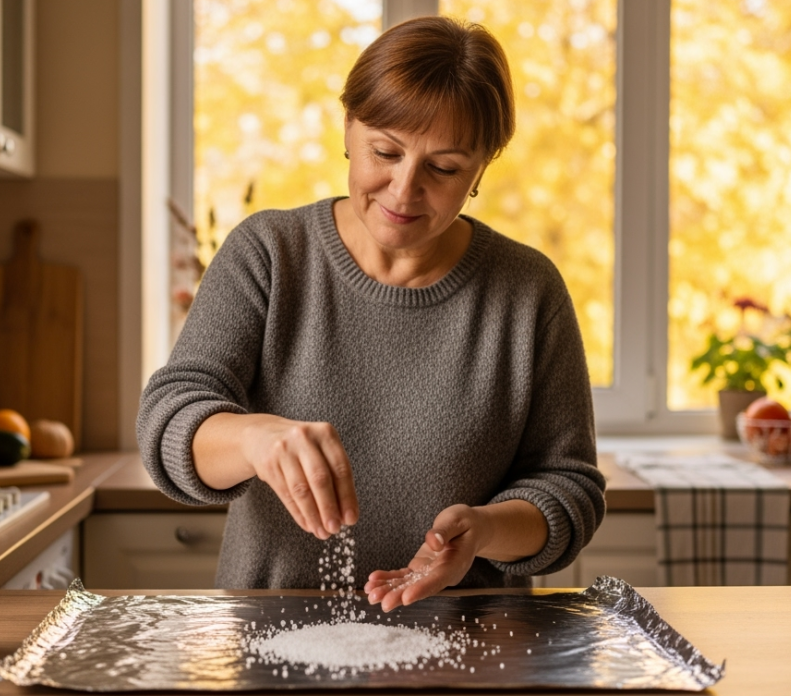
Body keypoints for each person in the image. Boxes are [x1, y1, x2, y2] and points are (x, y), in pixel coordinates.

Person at [137, 15, 605, 612]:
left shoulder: (528, 291)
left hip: (470, 647)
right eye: (385, 151)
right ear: (348, 128)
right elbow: (170, 417)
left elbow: (570, 489)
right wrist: (254, 438)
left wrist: (484, 531)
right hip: (270, 639)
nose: (404, 190)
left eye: (444, 168)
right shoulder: (270, 255)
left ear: (483, 167)